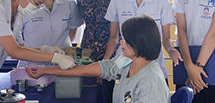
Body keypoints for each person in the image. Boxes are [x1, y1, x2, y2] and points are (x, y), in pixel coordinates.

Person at [26, 16, 170, 103]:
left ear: (140, 41)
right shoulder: (126, 61)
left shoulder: (151, 80)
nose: (121, 43)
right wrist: (45, 70)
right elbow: (85, 71)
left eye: (126, 40)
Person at [103, 0, 182, 82]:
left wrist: (171, 50)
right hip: (124, 65)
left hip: (154, 66)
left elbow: (166, 38)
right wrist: (105, 63)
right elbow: (114, 37)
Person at [17, 0, 83, 67]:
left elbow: (73, 30)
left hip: (62, 64)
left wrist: (61, 47)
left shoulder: (69, 4)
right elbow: (17, 39)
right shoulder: (27, 5)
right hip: (32, 64)